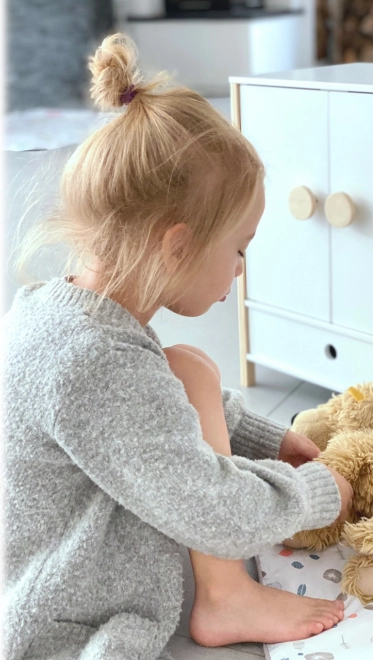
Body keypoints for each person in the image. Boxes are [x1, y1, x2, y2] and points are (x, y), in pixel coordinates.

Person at [4, 33, 353, 660]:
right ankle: (227, 598)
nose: (241, 269)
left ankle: (225, 593)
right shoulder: (97, 366)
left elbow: (154, 412)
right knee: (201, 431)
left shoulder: (64, 312)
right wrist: (316, 493)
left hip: (62, 557)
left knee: (187, 366)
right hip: (65, 616)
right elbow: (214, 510)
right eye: (239, 248)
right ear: (177, 246)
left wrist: (266, 440)